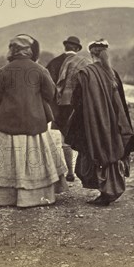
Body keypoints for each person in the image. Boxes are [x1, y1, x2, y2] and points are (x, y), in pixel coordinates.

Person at [0, 34, 68, 207]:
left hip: (8, 124)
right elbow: (50, 94)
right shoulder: (39, 69)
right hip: (34, 123)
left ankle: (4, 197)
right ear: (29, 51)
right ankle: (34, 197)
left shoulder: (5, 70)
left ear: (13, 50)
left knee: (5, 162)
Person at [65, 39, 134, 206]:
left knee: (95, 152)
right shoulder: (112, 73)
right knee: (111, 151)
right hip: (113, 122)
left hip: (93, 123)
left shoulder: (85, 73)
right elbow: (122, 103)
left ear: (91, 54)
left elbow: (76, 101)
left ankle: (105, 191)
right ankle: (109, 189)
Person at [53, 36, 92, 181]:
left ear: (65, 47)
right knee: (82, 135)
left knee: (64, 139)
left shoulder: (54, 62)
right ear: (77, 48)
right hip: (80, 104)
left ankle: (69, 171)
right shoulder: (86, 62)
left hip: (61, 105)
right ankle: (83, 170)